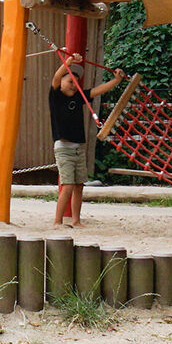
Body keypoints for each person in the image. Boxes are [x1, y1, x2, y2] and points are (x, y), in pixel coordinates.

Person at [49, 55, 125, 228]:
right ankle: (57, 221)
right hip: (64, 148)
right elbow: (55, 78)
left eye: (76, 82)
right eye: (70, 81)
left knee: (79, 186)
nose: (74, 85)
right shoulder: (56, 97)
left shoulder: (78, 97)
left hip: (78, 148)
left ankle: (76, 220)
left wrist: (117, 80)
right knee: (67, 186)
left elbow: (99, 90)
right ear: (61, 83)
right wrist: (67, 63)